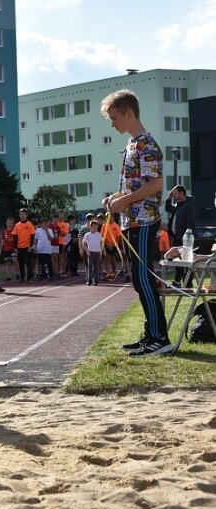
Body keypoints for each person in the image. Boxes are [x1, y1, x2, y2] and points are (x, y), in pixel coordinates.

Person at [101, 89, 170, 356]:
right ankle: (151, 333)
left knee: (143, 278)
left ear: (129, 113)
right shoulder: (132, 145)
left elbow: (156, 185)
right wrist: (116, 199)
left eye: (115, 118)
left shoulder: (147, 144)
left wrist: (124, 201)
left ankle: (159, 338)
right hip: (132, 220)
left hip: (144, 220)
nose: (113, 124)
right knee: (138, 280)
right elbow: (136, 184)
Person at [165, 185, 197, 288]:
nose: (173, 195)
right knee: (177, 260)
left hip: (186, 239)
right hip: (176, 237)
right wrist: (169, 198)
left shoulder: (189, 204)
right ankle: (177, 282)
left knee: (188, 260)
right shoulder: (178, 205)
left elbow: (191, 222)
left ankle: (188, 283)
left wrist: (189, 236)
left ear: (181, 192)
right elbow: (167, 208)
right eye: (173, 193)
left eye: (175, 193)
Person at [12, 208, 35, 283]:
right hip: (19, 247)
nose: (22, 216)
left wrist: (31, 246)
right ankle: (22, 277)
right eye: (21, 214)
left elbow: (32, 236)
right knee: (20, 263)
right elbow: (15, 237)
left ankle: (29, 278)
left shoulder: (29, 224)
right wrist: (15, 247)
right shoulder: (17, 225)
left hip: (27, 247)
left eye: (24, 214)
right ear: (19, 215)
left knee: (28, 263)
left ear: (26, 215)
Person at [82, 220, 103, 286]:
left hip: (97, 252)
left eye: (96, 228)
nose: (95, 229)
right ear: (90, 227)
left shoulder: (99, 234)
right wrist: (87, 251)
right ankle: (89, 280)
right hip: (90, 252)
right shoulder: (87, 235)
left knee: (96, 267)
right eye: (94, 227)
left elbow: (101, 242)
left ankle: (96, 280)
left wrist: (102, 251)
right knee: (90, 266)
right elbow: (84, 243)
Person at [0, 216, 19, 281]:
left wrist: (17, 247)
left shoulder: (15, 231)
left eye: (11, 223)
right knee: (8, 262)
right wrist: (0, 249)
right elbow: (3, 240)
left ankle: (17, 273)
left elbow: (17, 240)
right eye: (8, 223)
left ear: (13, 224)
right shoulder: (4, 231)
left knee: (14, 259)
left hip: (13, 248)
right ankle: (8, 276)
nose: (9, 224)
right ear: (6, 223)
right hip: (6, 249)